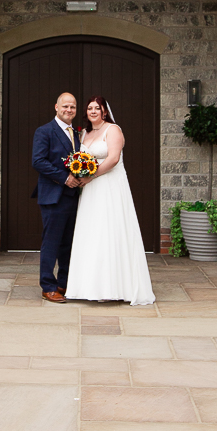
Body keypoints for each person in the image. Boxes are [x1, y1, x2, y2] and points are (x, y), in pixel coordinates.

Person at [65, 95, 155, 306]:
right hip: (90, 190)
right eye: (89, 108)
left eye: (97, 108)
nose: (93, 111)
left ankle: (116, 286)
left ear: (105, 111)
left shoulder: (113, 129)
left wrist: (91, 176)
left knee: (110, 230)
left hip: (110, 186)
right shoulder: (84, 133)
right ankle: (90, 286)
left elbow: (113, 159)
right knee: (92, 232)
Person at [32, 92, 81, 302]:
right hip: (53, 195)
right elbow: (38, 161)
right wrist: (64, 178)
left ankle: (63, 283)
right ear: (56, 107)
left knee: (68, 242)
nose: (69, 110)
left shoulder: (76, 133)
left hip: (73, 195)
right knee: (51, 242)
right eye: (65, 106)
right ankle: (48, 286)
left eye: (72, 107)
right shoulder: (44, 131)